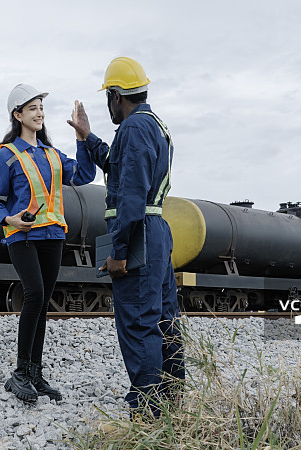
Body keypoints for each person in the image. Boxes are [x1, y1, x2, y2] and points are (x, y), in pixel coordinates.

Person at [67, 57, 185, 416]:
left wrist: (119, 251)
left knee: (138, 322)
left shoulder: (133, 128)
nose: (109, 105)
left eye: (109, 98)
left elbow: (131, 195)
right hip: (156, 232)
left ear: (116, 96)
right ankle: (171, 400)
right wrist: (88, 138)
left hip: (138, 235)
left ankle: (147, 410)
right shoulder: (153, 126)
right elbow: (121, 166)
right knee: (164, 321)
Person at [0, 83, 96, 403]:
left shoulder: (53, 155)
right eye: (32, 108)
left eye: (41, 108)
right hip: (22, 236)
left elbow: (85, 175)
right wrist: (10, 220)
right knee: (33, 294)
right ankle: (20, 373)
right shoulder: (7, 154)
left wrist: (81, 138)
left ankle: (35, 373)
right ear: (17, 115)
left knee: (43, 300)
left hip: (53, 236)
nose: (39, 113)